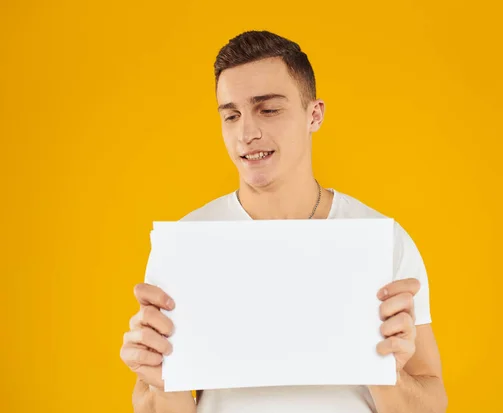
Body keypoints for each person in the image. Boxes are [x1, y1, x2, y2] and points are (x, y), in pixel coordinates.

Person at [120, 30, 448, 413]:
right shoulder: (185, 246)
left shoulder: (382, 241)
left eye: (268, 109)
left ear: (315, 115)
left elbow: (430, 402)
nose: (247, 132)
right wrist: (161, 380)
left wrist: (385, 373)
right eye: (231, 115)